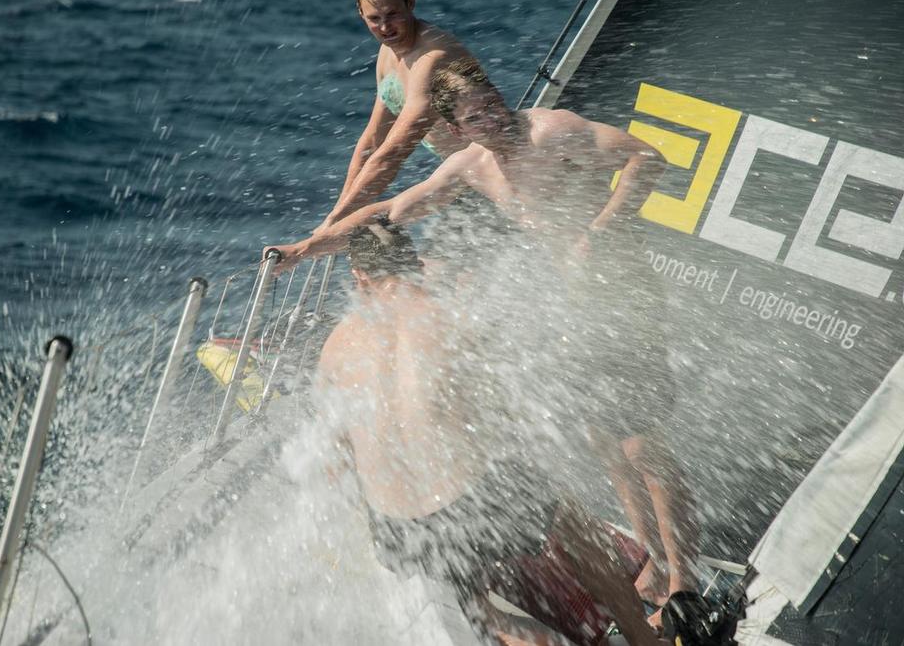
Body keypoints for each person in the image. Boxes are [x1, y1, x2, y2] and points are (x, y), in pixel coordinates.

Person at [272, 56, 701, 633]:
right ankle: (650, 565)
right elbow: (390, 211)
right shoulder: (471, 167)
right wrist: (306, 248)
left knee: (640, 443)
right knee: (603, 440)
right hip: (574, 308)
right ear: (455, 130)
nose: (496, 121)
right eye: (478, 118)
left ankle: (685, 581)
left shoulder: (553, 131)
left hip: (623, 295)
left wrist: (600, 231)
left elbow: (648, 158)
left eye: (495, 106)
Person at [315, 221, 668, 646]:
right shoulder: (445, 317)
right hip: (467, 503)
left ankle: (509, 630)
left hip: (396, 526)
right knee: (579, 531)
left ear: (361, 277)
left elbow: (336, 452)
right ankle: (644, 641)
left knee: (478, 606)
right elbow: (501, 413)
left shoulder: (335, 345)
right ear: (415, 263)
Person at [314, 0, 482, 233]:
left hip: (491, 174)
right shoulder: (388, 54)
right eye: (374, 18)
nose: (384, 27)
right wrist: (339, 210)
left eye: (392, 14)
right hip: (459, 179)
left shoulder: (433, 58)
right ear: (361, 14)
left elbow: (393, 153)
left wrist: (333, 226)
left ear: (411, 2)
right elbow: (372, 141)